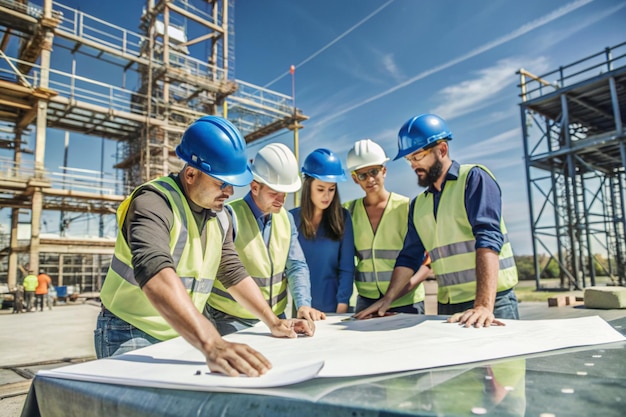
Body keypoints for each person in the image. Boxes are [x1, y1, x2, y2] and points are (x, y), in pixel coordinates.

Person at [96, 116, 314, 378]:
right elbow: (154, 272)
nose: (230, 192)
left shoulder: (219, 215)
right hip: (130, 330)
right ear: (191, 174)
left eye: (233, 183)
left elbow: (232, 272)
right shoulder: (153, 202)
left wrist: (274, 321)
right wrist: (212, 342)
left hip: (182, 330)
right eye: (222, 183)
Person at [355, 114, 519, 327]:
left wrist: (483, 306)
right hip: (449, 305)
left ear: (442, 150)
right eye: (409, 160)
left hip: (493, 302)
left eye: (418, 156)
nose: (413, 165)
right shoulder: (419, 205)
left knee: (501, 362)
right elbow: (409, 257)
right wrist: (387, 300)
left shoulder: (473, 179)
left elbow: (488, 238)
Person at [205, 143, 325, 335]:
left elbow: (296, 266)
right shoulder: (229, 216)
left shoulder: (286, 219)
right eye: (273, 193)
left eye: (284, 193)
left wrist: (303, 305)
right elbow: (228, 271)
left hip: (277, 318)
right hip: (231, 320)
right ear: (254, 187)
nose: (281, 199)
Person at [343, 139, 431, 315]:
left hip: (407, 302)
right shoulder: (347, 211)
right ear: (355, 179)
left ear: (384, 171)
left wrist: (394, 296)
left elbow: (428, 263)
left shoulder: (408, 208)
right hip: (365, 301)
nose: (370, 179)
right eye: (362, 175)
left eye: (374, 171)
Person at [290, 148, 355, 314]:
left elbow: (347, 267)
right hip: (301, 310)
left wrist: (343, 305)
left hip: (335, 310)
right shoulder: (291, 218)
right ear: (308, 186)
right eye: (320, 189)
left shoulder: (343, 217)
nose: (327, 195)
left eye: (331, 189)